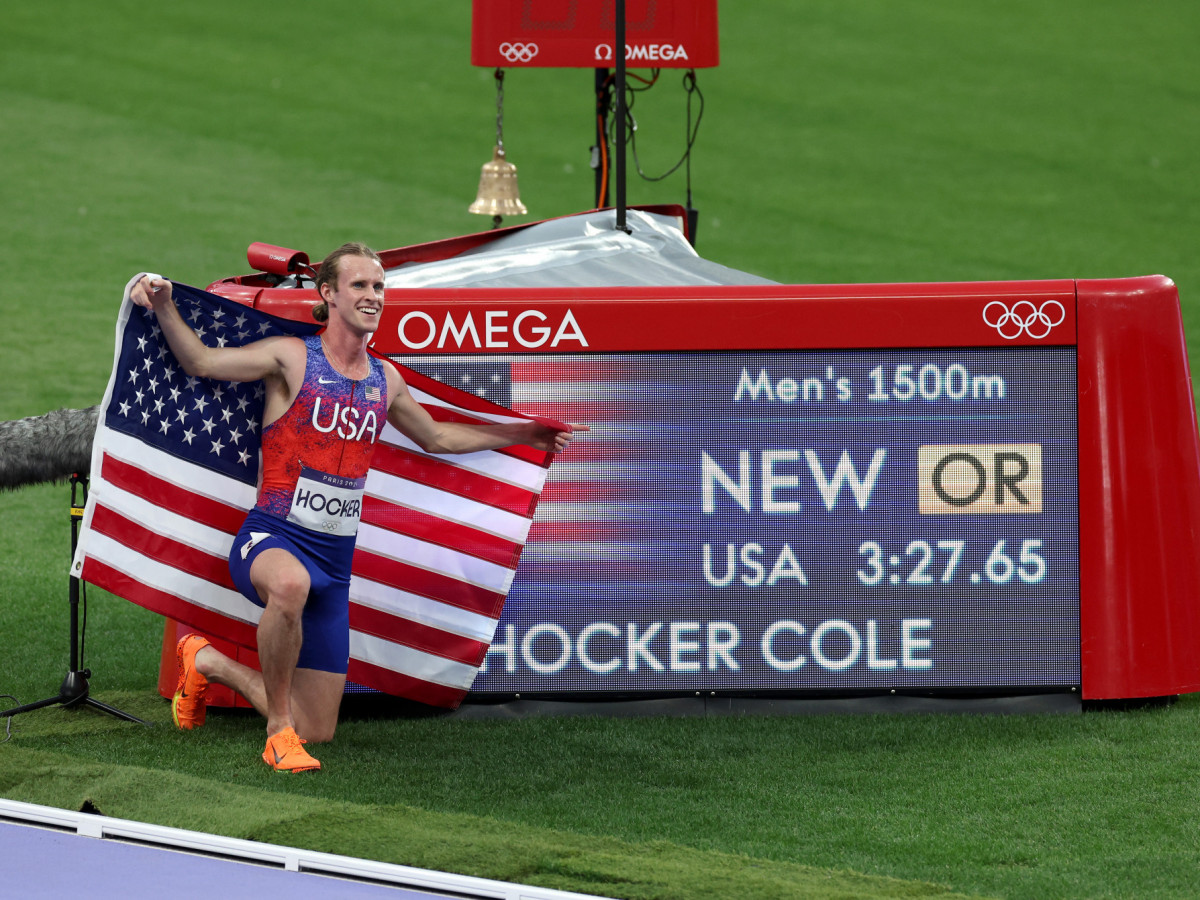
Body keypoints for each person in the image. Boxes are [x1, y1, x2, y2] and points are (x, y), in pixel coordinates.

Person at [129, 242, 581, 772]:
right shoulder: (290, 357)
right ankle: (277, 734)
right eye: (360, 286)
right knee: (290, 588)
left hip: (333, 564)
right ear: (328, 294)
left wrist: (522, 433)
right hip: (271, 537)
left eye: (379, 287)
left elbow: (436, 438)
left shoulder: (385, 379)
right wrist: (161, 302)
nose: (373, 296)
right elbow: (201, 361)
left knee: (317, 728)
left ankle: (204, 661)